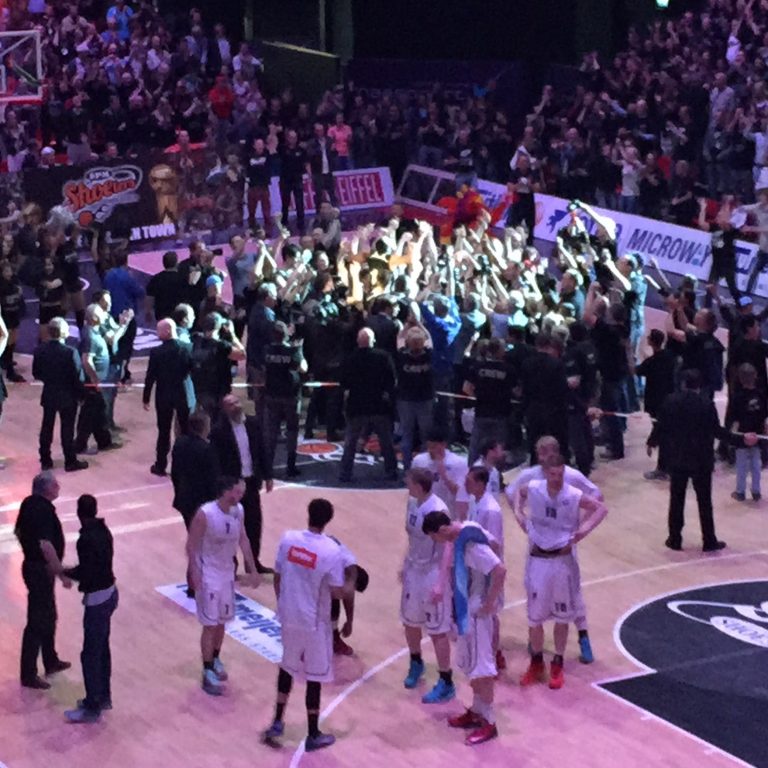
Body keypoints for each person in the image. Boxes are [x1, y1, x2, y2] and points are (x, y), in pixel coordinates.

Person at [506, 435, 602, 664]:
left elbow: (597, 496)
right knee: (533, 588)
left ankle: (583, 637)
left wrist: (580, 527)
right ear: (537, 453)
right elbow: (512, 493)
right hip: (537, 546)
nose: (546, 455)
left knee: (573, 593)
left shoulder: (571, 476)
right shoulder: (529, 477)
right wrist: (521, 517)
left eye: (550, 450)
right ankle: (535, 639)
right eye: (542, 451)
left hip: (564, 546)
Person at [262, 498, 349, 752]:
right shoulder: (331, 550)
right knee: (314, 676)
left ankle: (277, 721)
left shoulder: (288, 539)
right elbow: (336, 592)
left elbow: (278, 576)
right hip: (314, 622)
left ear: (308, 513)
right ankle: (313, 734)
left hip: (288, 615)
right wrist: (351, 582)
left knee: (287, 667)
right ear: (329, 520)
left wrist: (282, 603)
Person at [421, 509, 506, 746]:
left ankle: (490, 722)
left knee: (482, 669)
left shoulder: (471, 545)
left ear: (442, 531)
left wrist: (490, 602)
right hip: (468, 607)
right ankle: (477, 711)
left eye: (434, 537)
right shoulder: (465, 530)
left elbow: (500, 569)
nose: (436, 542)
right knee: (472, 665)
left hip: (478, 611)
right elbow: (496, 543)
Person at [647, 369, 756, 551]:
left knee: (676, 500)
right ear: (699, 386)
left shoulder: (670, 401)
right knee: (704, 501)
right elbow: (718, 431)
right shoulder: (706, 404)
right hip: (701, 459)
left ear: (683, 383)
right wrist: (741, 440)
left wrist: (651, 441)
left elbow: (661, 425)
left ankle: (674, 539)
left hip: (678, 457)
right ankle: (709, 540)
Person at [186, 476, 261, 695]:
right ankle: (207, 669)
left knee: (222, 622)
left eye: (242, 493)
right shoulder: (206, 514)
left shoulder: (238, 511)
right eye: (237, 492)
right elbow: (191, 545)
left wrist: (252, 568)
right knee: (210, 624)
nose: (240, 497)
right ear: (225, 491)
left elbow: (243, 539)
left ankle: (216, 658)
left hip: (227, 573)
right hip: (208, 573)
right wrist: (194, 572)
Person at [53, 495, 118, 723]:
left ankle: (92, 705)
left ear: (79, 513)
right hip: (110, 592)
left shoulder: (86, 539)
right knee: (102, 649)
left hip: (97, 599)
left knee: (90, 654)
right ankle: (103, 696)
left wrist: (63, 571)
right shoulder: (104, 531)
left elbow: (87, 571)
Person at [400, 468, 456, 704]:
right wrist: (404, 563)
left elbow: (448, 546)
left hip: (432, 573)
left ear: (419, 485)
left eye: (409, 482)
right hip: (414, 570)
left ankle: (446, 681)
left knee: (437, 630)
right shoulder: (412, 502)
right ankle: (416, 662)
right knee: (409, 621)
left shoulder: (438, 509)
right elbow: (412, 538)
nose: (406, 484)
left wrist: (441, 583)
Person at [15, 471, 72, 689]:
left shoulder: (28, 504)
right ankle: (28, 673)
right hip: (40, 570)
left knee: (47, 616)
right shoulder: (43, 511)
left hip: (34, 567)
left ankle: (50, 660)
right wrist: (61, 573)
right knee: (38, 620)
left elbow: (18, 531)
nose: (58, 487)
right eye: (55, 485)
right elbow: (46, 545)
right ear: (46, 488)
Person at [210, 393, 274, 574]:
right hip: (232, 486)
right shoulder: (218, 431)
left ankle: (253, 562)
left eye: (237, 402)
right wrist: (222, 486)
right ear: (225, 409)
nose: (236, 406)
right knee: (229, 527)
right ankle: (231, 565)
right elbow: (217, 461)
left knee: (254, 524)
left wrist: (268, 475)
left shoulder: (253, 424)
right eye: (231, 404)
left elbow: (262, 450)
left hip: (251, 482)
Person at [338, 328, 398, 483]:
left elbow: (343, 382)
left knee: (350, 442)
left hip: (356, 405)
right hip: (379, 405)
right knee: (386, 441)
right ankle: (391, 471)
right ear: (373, 340)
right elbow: (392, 380)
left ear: (358, 341)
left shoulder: (350, 358)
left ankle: (345, 473)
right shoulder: (383, 357)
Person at [32, 317, 88, 472]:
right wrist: (81, 395)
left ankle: (45, 460)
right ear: (63, 333)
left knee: (46, 427)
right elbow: (78, 377)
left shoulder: (40, 350)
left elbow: (36, 373)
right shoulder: (70, 352)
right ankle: (70, 460)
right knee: (67, 429)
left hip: (49, 393)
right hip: (68, 395)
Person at [143, 318, 195, 476]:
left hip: (164, 396)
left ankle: (160, 465)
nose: (157, 333)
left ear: (167, 330)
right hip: (183, 394)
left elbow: (150, 377)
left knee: (163, 432)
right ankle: (186, 466)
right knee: (186, 431)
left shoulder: (156, 352)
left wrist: (146, 398)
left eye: (158, 330)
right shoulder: (188, 348)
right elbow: (193, 371)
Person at [75, 304, 126, 456]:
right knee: (89, 413)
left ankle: (104, 441)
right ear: (95, 318)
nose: (105, 315)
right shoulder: (90, 336)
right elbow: (86, 360)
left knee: (99, 410)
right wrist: (95, 380)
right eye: (101, 313)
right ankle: (80, 445)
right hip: (91, 383)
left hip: (95, 382)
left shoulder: (95, 332)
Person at [263, 321, 306, 478]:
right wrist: (300, 351)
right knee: (292, 431)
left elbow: (263, 368)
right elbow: (303, 368)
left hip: (272, 394)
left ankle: (268, 467)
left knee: (271, 432)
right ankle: (290, 466)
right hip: (290, 395)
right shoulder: (293, 351)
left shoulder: (266, 350)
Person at [636, 329, 676, 481]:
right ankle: (669, 466)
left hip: (656, 402)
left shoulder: (651, 362)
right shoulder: (670, 357)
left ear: (651, 341)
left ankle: (663, 468)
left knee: (662, 433)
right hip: (670, 400)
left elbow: (636, 370)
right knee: (668, 433)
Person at [396, 327, 434, 471]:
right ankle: (423, 467)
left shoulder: (402, 356)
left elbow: (399, 339)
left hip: (405, 399)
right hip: (425, 399)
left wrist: (406, 326)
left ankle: (407, 468)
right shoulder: (429, 355)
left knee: (407, 435)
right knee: (425, 435)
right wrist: (420, 324)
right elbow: (430, 339)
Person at [411, 427, 468, 520]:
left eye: (434, 447)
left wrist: (444, 475)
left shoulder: (458, 463)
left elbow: (460, 493)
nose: (430, 450)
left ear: (443, 445)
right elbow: (413, 488)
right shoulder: (419, 461)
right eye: (429, 447)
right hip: (425, 513)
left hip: (448, 513)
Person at [730, 363, 766, 502]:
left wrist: (732, 435)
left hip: (742, 435)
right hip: (758, 434)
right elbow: (765, 415)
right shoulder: (761, 395)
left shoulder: (737, 397)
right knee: (756, 463)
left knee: (741, 465)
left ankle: (740, 491)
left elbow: (734, 418)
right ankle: (756, 491)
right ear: (755, 376)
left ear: (739, 378)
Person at [279, 129, 310, 233]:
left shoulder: (301, 150)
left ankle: (301, 222)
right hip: (285, 179)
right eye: (291, 137)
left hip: (297, 178)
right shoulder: (282, 149)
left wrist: (309, 174)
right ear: (287, 138)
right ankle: (284, 221)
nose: (293, 139)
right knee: (285, 201)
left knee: (299, 201)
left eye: (295, 137)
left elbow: (306, 163)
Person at [145, 251, 187, 324]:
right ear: (176, 263)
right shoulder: (182, 278)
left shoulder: (156, 279)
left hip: (161, 315)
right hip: (179, 315)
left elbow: (150, 297)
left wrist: (148, 312)